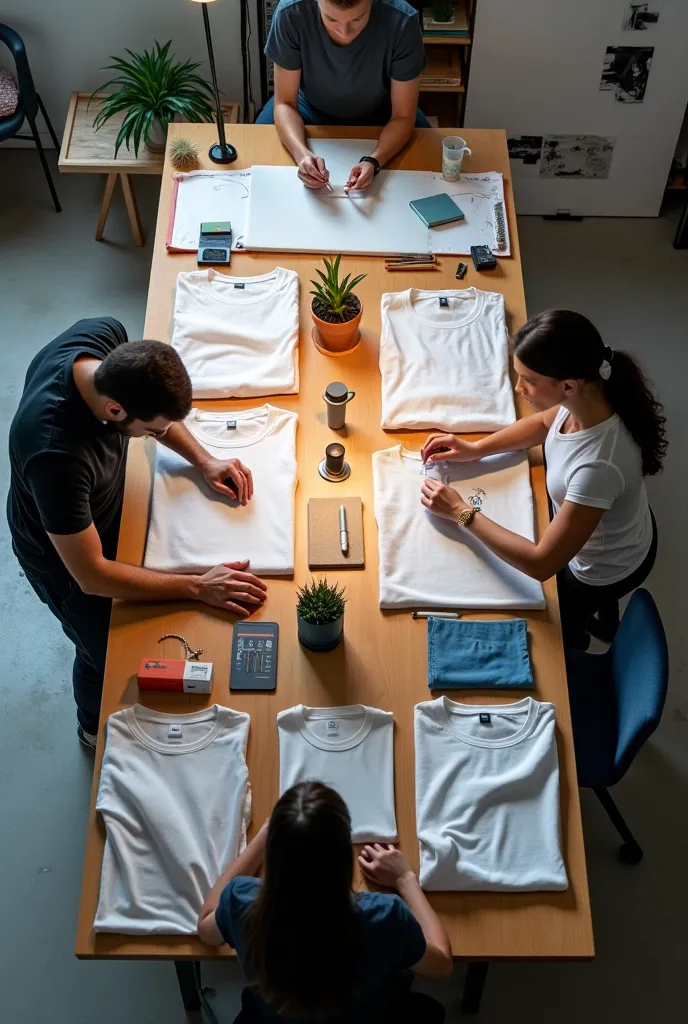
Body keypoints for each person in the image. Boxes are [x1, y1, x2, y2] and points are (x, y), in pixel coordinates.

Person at [8, 318, 267, 749]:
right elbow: (92, 575)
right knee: (103, 653)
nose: (160, 437)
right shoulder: (55, 453)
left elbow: (155, 412)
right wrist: (198, 587)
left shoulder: (103, 337)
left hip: (103, 505)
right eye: (153, 432)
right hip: (64, 557)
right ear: (115, 411)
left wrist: (203, 460)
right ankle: (91, 730)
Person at [419, 310, 667, 650]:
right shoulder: (588, 396)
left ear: (567, 385)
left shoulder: (598, 466)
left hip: (601, 571)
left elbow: (542, 564)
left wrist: (461, 512)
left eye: (529, 381)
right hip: (621, 527)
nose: (519, 389)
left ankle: (581, 641)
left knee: (561, 633)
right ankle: (608, 620)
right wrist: (475, 449)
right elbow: (541, 425)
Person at [197, 781, 452, 1023]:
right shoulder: (386, 916)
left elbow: (206, 928)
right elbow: (441, 966)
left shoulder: (242, 901)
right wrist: (405, 878)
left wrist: (267, 833)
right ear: (343, 855)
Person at [257, 0, 428, 192]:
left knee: (423, 169)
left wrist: (375, 160)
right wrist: (302, 155)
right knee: (261, 159)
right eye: (331, 19)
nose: (344, 32)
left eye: (357, 19)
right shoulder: (290, 13)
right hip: (307, 110)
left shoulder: (403, 21)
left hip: (383, 114)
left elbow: (403, 115)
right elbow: (285, 102)